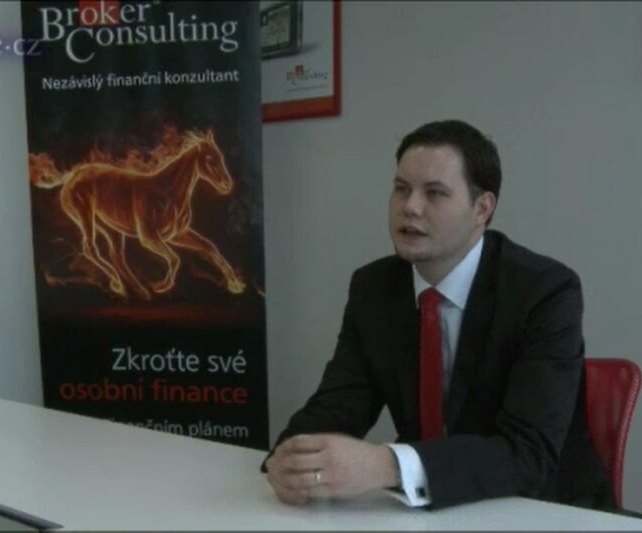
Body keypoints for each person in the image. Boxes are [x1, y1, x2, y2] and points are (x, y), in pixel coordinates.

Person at [263, 120, 614, 510]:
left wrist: (386, 464)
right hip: (431, 511)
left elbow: (529, 453)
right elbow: (339, 405)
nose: (410, 207)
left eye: (434, 193)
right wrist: (293, 459)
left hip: (546, 508)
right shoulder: (374, 288)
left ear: (481, 208)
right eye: (401, 188)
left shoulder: (544, 291)